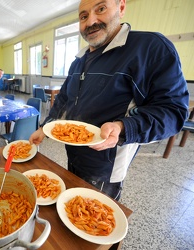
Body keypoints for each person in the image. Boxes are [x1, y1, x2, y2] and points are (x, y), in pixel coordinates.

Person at [29, 0, 189, 200]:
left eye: (101, 8)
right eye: (83, 16)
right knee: (71, 208)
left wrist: (123, 127)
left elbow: (173, 112)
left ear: (121, 7)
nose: (90, 22)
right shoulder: (79, 61)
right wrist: (44, 127)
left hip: (106, 166)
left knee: (92, 219)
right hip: (73, 154)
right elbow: (64, 98)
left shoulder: (151, 48)